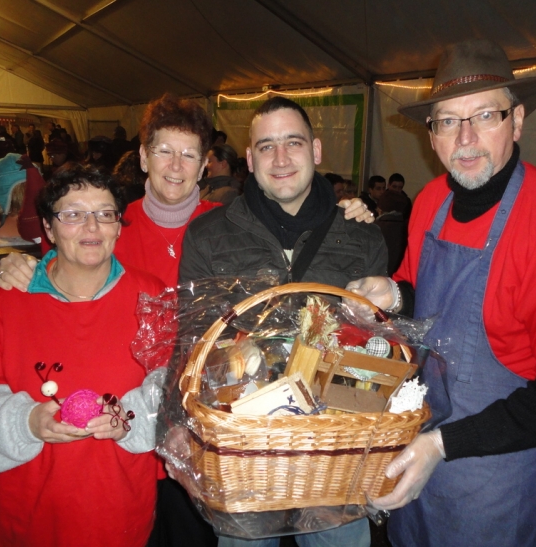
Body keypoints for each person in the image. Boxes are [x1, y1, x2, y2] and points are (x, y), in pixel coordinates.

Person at [0, 94, 374, 547]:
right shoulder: (113, 228)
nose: (175, 165)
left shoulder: (227, 225)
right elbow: (69, 267)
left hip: (210, 428)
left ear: (204, 163)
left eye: (189, 153)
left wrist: (351, 213)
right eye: (163, 151)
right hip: (134, 425)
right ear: (142, 157)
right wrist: (23, 267)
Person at [347, 39, 536, 547]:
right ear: (432, 134)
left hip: (498, 477)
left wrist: (441, 446)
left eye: (485, 116)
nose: (465, 138)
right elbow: (420, 293)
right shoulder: (431, 200)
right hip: (419, 450)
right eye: (448, 120)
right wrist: (391, 291)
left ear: (516, 121)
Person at [179, 96, 388, 547]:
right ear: (249, 159)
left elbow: (376, 350)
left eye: (292, 143)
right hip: (245, 452)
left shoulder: (361, 236)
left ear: (315, 151)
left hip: (335, 454)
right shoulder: (208, 236)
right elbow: (190, 341)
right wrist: (182, 426)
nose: (280, 158)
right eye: (266, 146)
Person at [0, 164, 165, 546]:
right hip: (30, 514)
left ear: (117, 225)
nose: (92, 228)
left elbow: (178, 391)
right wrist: (25, 423)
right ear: (48, 228)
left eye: (105, 214)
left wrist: (129, 420)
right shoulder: (4, 306)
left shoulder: (150, 297)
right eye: (73, 214)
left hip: (120, 512)